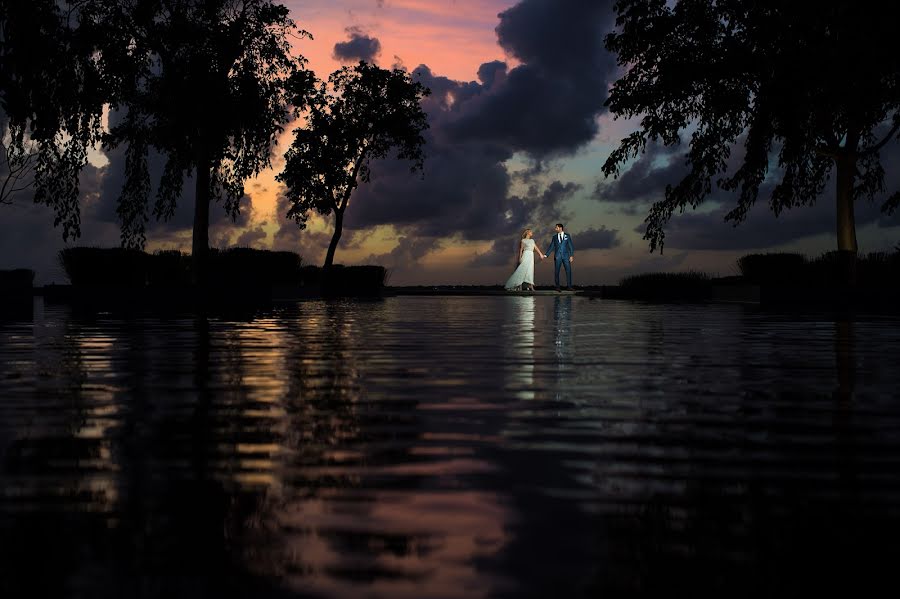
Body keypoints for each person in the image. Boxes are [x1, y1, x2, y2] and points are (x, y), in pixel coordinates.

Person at [544, 223, 574, 291]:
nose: (555, 229)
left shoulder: (567, 236)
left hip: (566, 256)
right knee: (557, 271)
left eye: (556, 228)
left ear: (560, 228)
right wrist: (546, 254)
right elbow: (551, 246)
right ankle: (557, 287)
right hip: (557, 256)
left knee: (568, 271)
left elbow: (570, 246)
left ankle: (569, 287)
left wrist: (571, 255)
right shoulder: (554, 237)